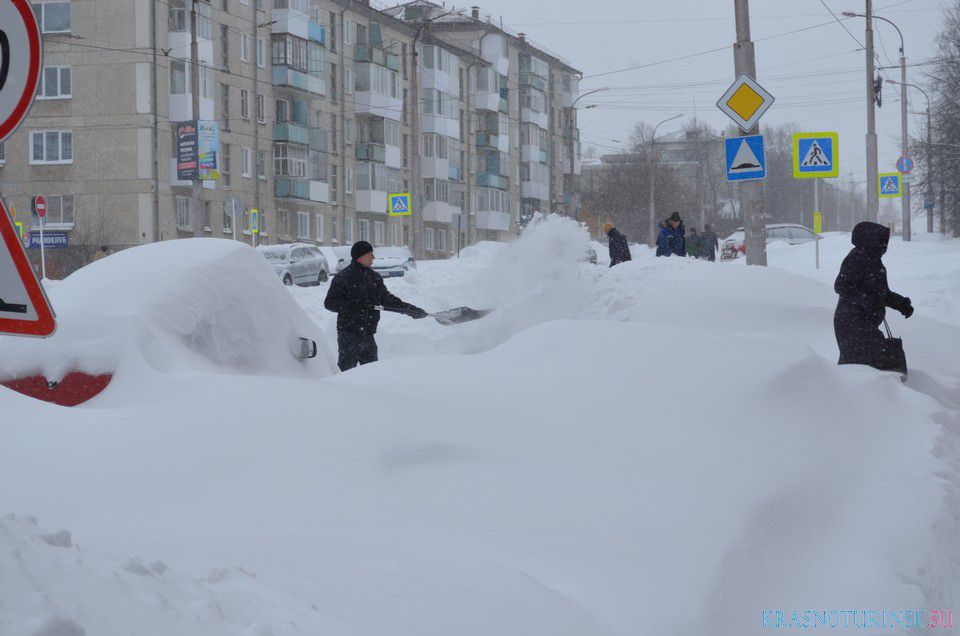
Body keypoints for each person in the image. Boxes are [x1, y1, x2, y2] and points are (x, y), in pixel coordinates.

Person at [324, 240, 428, 371]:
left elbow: (386, 299)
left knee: (373, 374)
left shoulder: (374, 277)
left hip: (368, 336)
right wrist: (353, 305)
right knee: (346, 373)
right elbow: (329, 303)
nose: (373, 257)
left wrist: (409, 309)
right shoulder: (343, 277)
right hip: (349, 336)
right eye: (370, 254)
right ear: (360, 256)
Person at [834, 222, 913, 372]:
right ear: (869, 239)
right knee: (861, 367)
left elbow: (881, 293)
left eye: (885, 241)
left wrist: (901, 304)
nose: (884, 245)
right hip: (851, 322)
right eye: (881, 240)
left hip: (865, 322)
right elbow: (841, 286)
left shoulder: (875, 261)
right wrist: (866, 300)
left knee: (868, 365)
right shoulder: (856, 258)